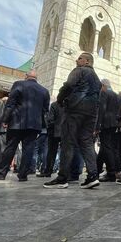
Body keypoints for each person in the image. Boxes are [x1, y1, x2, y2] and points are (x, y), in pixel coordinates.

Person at [44, 52, 101, 189]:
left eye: (80, 58)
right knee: (86, 142)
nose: (77, 60)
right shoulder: (97, 80)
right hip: (91, 113)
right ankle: (93, 175)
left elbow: (68, 85)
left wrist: (60, 99)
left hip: (76, 109)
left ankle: (62, 178)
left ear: (87, 61)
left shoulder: (79, 70)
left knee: (67, 142)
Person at [0, 70, 50, 182]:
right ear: (36, 78)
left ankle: (1, 173)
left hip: (16, 123)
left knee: (10, 147)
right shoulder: (44, 91)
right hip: (34, 125)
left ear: (26, 76)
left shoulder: (18, 84)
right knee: (28, 149)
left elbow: (10, 103)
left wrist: (5, 119)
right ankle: (23, 175)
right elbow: (45, 110)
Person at [96, 79, 120, 182]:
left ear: (103, 85)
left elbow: (102, 109)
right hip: (114, 123)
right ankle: (96, 170)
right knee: (105, 147)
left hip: (105, 123)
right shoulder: (116, 95)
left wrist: (97, 125)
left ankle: (111, 173)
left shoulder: (104, 93)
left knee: (106, 147)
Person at [37, 100, 63, 177]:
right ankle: (64, 172)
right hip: (66, 132)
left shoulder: (54, 104)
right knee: (65, 152)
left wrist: (49, 127)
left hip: (54, 131)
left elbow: (50, 119)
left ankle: (48, 171)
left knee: (51, 152)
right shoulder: (70, 104)